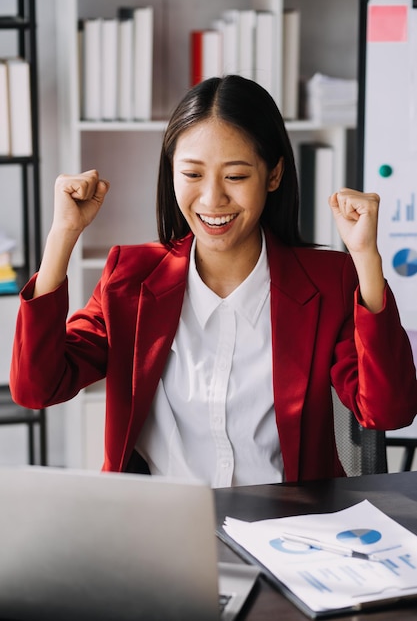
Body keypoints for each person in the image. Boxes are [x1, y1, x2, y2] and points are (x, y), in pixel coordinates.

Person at [10, 75, 417, 485]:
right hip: (162, 528)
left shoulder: (328, 280)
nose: (211, 200)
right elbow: (37, 387)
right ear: (171, 173)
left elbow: (388, 411)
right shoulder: (129, 279)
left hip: (290, 530)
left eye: (236, 177)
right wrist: (62, 234)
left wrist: (366, 257)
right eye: (191, 175)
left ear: (273, 175)